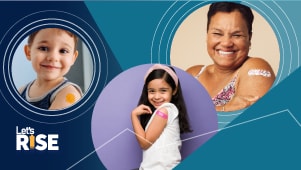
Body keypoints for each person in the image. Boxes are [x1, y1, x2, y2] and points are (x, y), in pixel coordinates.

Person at [186, 2, 275, 112]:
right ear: (207, 35)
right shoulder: (193, 74)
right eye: (217, 34)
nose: (226, 43)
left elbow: (249, 123)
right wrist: (225, 108)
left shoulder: (256, 68)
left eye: (237, 35)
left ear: (249, 38)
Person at [131, 64, 192, 170]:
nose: (157, 96)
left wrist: (134, 116)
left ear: (174, 90)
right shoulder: (164, 111)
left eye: (163, 90)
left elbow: (145, 143)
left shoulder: (164, 111)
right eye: (152, 91)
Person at [19, 28, 83, 110]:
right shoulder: (21, 91)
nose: (53, 57)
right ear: (28, 52)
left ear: (73, 58)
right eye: (43, 48)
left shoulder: (68, 93)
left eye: (63, 51)